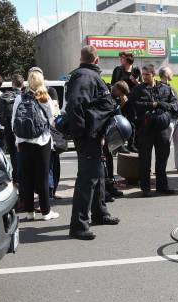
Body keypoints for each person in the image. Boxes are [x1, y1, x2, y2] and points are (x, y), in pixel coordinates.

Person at [67, 45, 120, 240]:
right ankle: (78, 226)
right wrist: (84, 134)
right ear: (96, 60)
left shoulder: (88, 75)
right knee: (86, 181)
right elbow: (76, 106)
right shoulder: (85, 76)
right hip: (89, 136)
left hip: (95, 135)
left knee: (98, 175)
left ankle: (100, 214)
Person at [12, 67, 59, 221]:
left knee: (27, 177)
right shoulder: (45, 97)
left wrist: (18, 140)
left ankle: (29, 212)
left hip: (23, 142)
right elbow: (52, 120)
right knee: (42, 177)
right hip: (42, 141)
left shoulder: (20, 98)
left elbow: (14, 121)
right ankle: (46, 212)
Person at [130, 64, 178, 197]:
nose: (144, 77)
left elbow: (175, 105)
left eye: (147, 74)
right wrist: (151, 105)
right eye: (143, 74)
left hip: (162, 128)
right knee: (144, 160)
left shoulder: (165, 89)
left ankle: (162, 186)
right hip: (145, 129)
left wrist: (163, 105)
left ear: (153, 74)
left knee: (162, 158)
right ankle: (145, 188)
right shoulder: (138, 89)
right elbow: (134, 105)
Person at [159, 66, 178, 174]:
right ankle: (162, 168)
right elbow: (162, 104)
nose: (172, 74)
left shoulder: (170, 86)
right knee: (165, 145)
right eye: (171, 72)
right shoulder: (160, 88)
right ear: (166, 75)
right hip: (170, 120)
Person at [0, 73, 24, 188]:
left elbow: (1, 118)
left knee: (13, 154)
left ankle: (16, 179)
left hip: (9, 129)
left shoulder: (4, 96)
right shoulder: (26, 95)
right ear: (22, 83)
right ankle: (24, 178)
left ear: (12, 83)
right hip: (23, 130)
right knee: (23, 154)